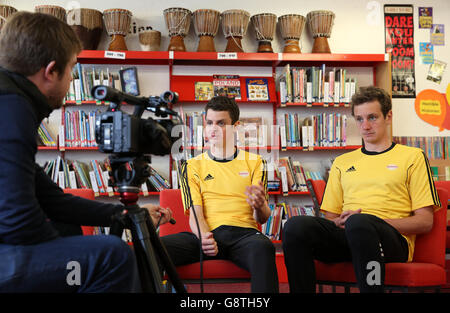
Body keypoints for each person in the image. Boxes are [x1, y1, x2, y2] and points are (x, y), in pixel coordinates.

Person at [0, 12, 173, 292]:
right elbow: (19, 222)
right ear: (51, 71)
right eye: (71, 70)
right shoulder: (12, 108)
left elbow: (51, 200)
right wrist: (65, 262)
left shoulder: (9, 100)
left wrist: (120, 216)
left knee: (72, 233)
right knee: (111, 255)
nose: (70, 82)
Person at [282, 86, 441, 293]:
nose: (365, 125)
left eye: (372, 117)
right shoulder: (341, 162)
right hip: (349, 236)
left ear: (388, 116)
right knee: (296, 226)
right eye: (359, 119)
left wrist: (373, 224)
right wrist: (338, 222)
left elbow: (425, 222)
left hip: (391, 242)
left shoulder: (413, 157)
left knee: (360, 222)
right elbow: (331, 218)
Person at [161, 96, 279, 293]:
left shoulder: (257, 162)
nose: (213, 129)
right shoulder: (190, 166)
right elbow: (196, 213)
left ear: (236, 126)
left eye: (221, 123)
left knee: (263, 247)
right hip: (206, 234)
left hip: (244, 235)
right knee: (153, 248)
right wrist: (205, 237)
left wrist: (259, 205)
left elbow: (263, 217)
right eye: (209, 123)